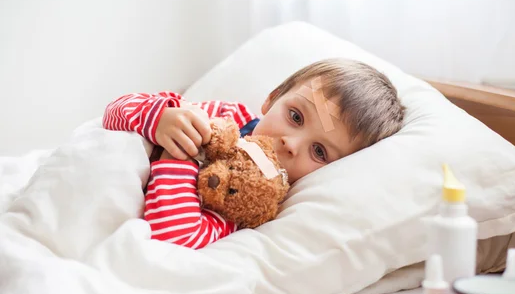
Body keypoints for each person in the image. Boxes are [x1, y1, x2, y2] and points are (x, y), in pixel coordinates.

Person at [102, 58, 405, 250]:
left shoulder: (252, 205)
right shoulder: (223, 116)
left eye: (319, 151)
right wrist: (159, 119)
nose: (291, 143)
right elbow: (114, 113)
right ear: (272, 99)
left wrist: (178, 158)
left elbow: (174, 238)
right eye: (296, 117)